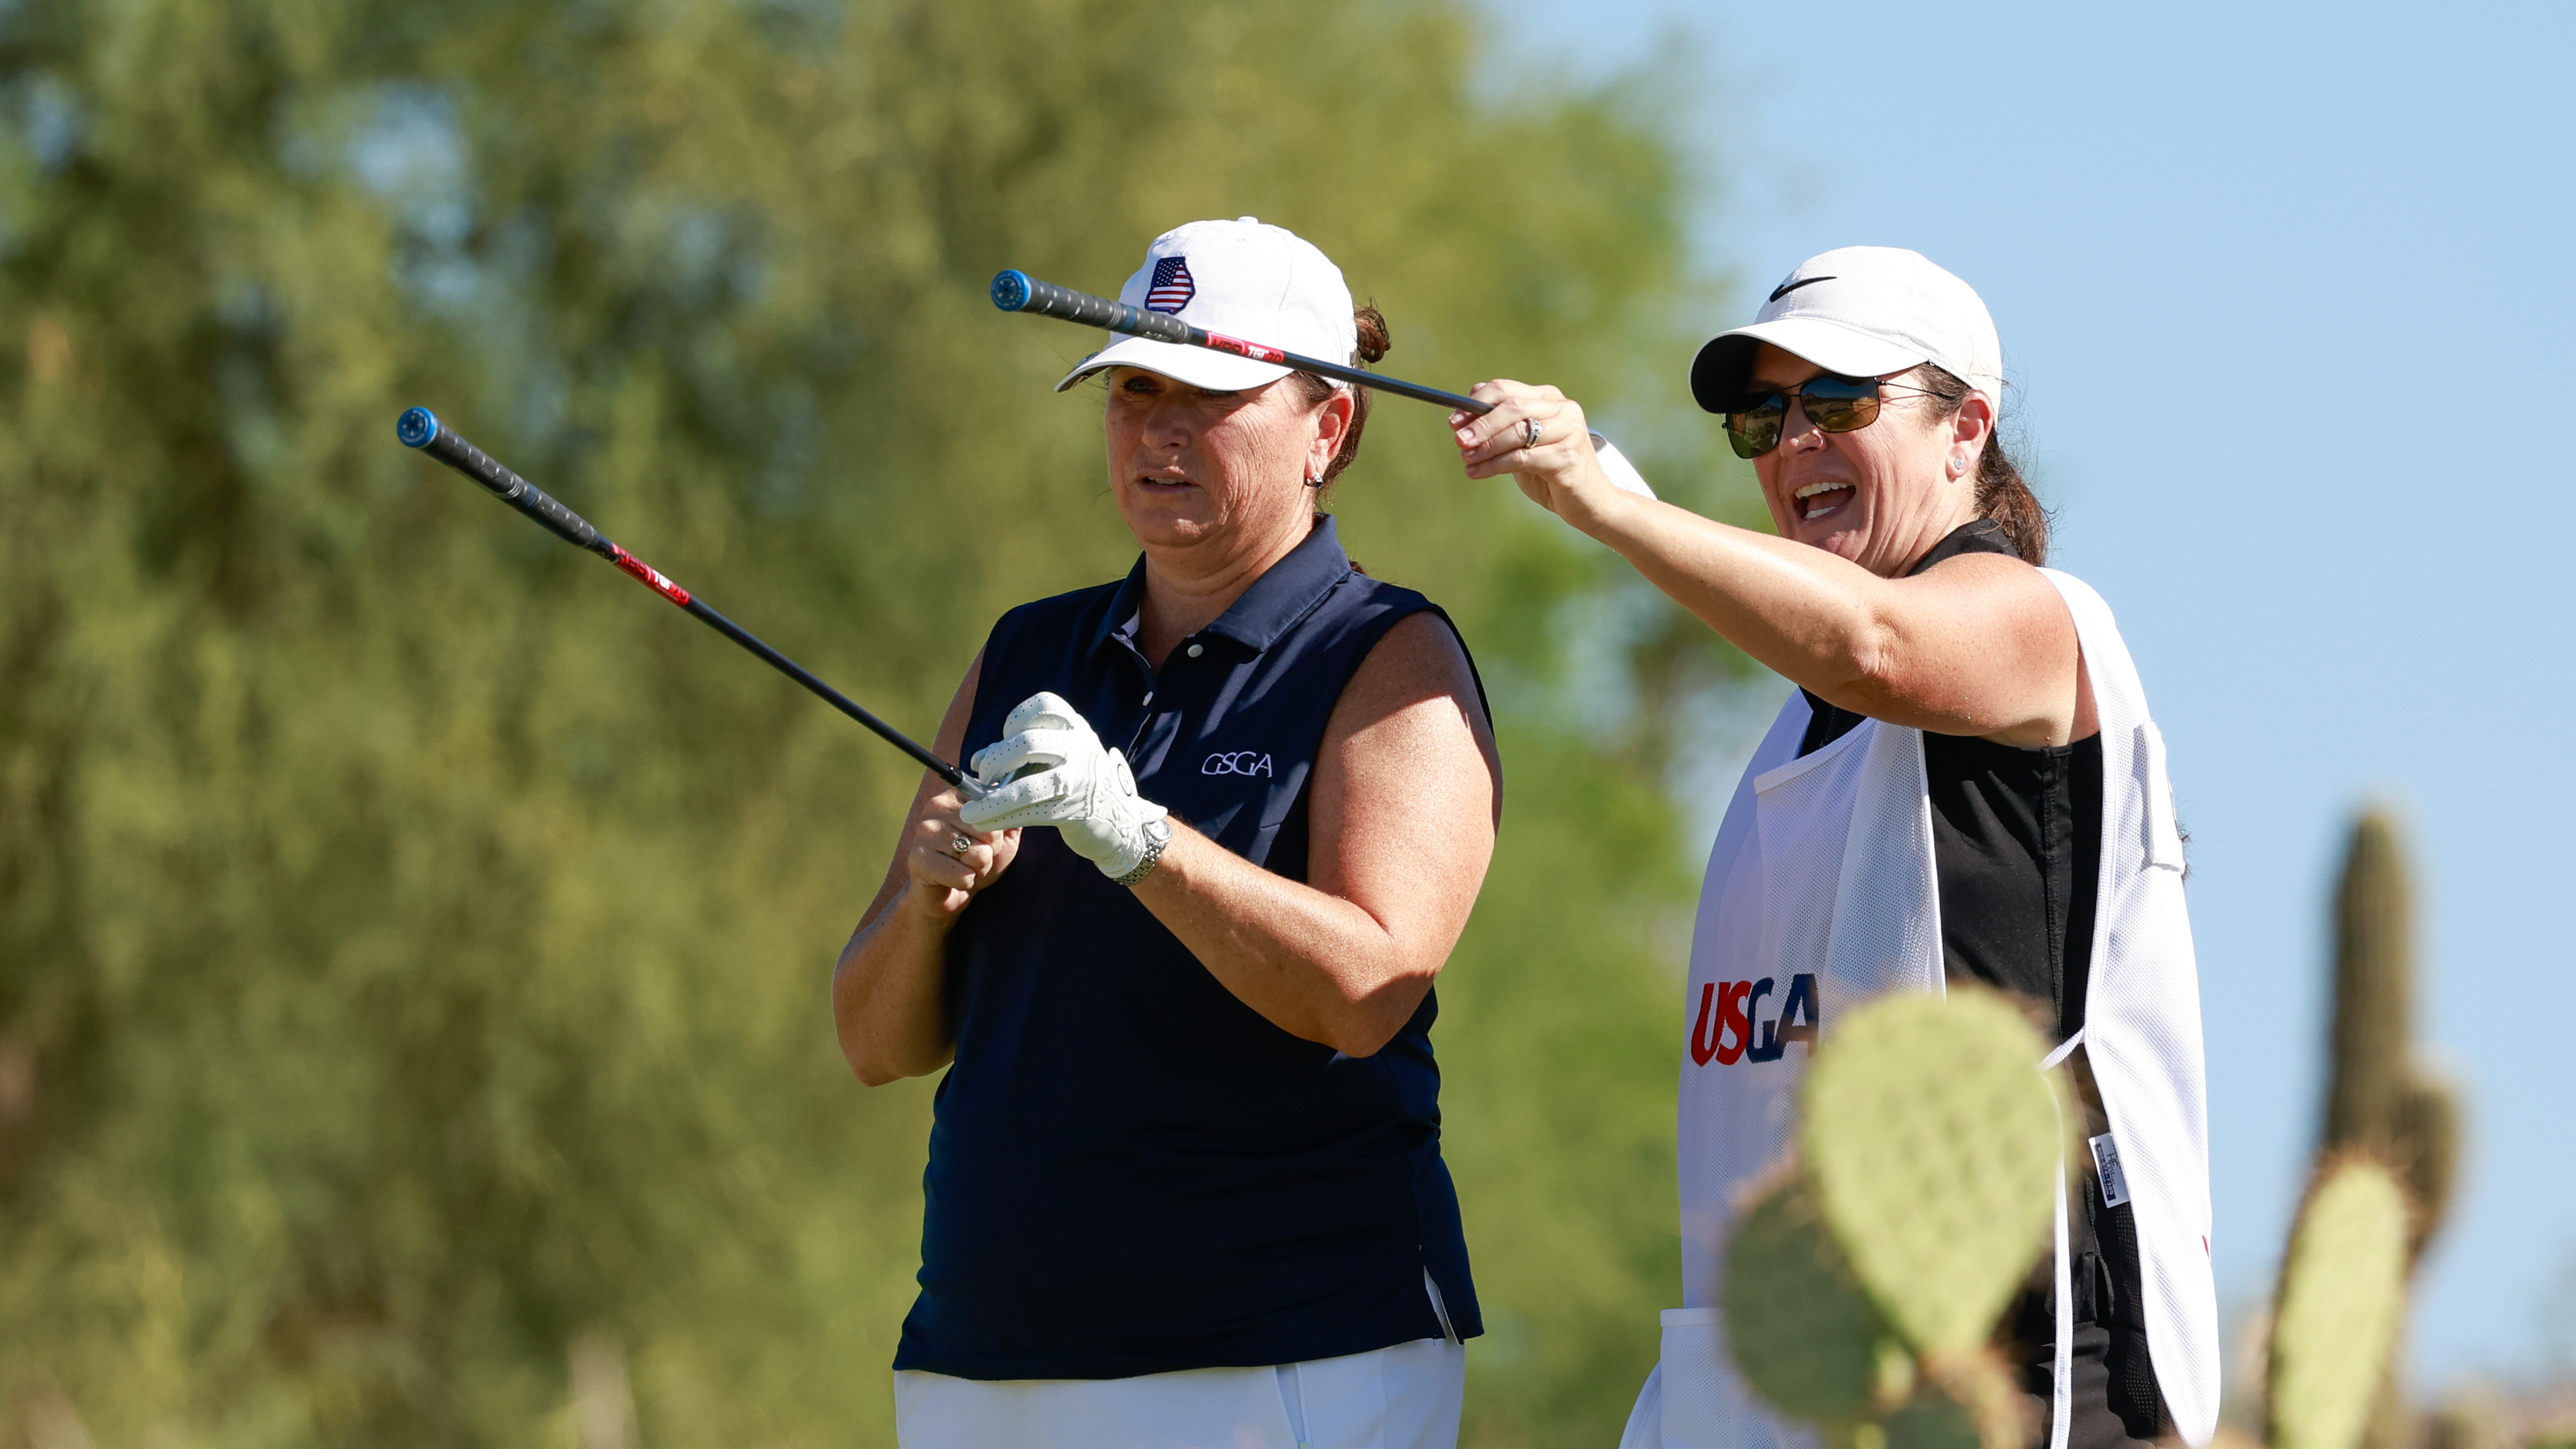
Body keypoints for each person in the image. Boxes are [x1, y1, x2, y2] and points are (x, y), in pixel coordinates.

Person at [1446, 248, 2218, 1449]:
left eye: (1844, 403)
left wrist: (1608, 506)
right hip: (1780, 1380)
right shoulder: (1802, 719)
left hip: (2015, 1380)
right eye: (1765, 416)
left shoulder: (2039, 620)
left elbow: (1875, 646)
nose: (1794, 440)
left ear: (1967, 427)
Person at [833, 218, 1500, 1449]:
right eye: (1133, 388)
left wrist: (1132, 833)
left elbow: (1368, 989)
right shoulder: (1029, 648)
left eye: (1209, 392)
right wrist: (927, 903)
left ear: (1328, 428)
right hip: (986, 1360)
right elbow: (874, 1039)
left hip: (1287, 1353)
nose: (1158, 430)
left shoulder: (1389, 655)